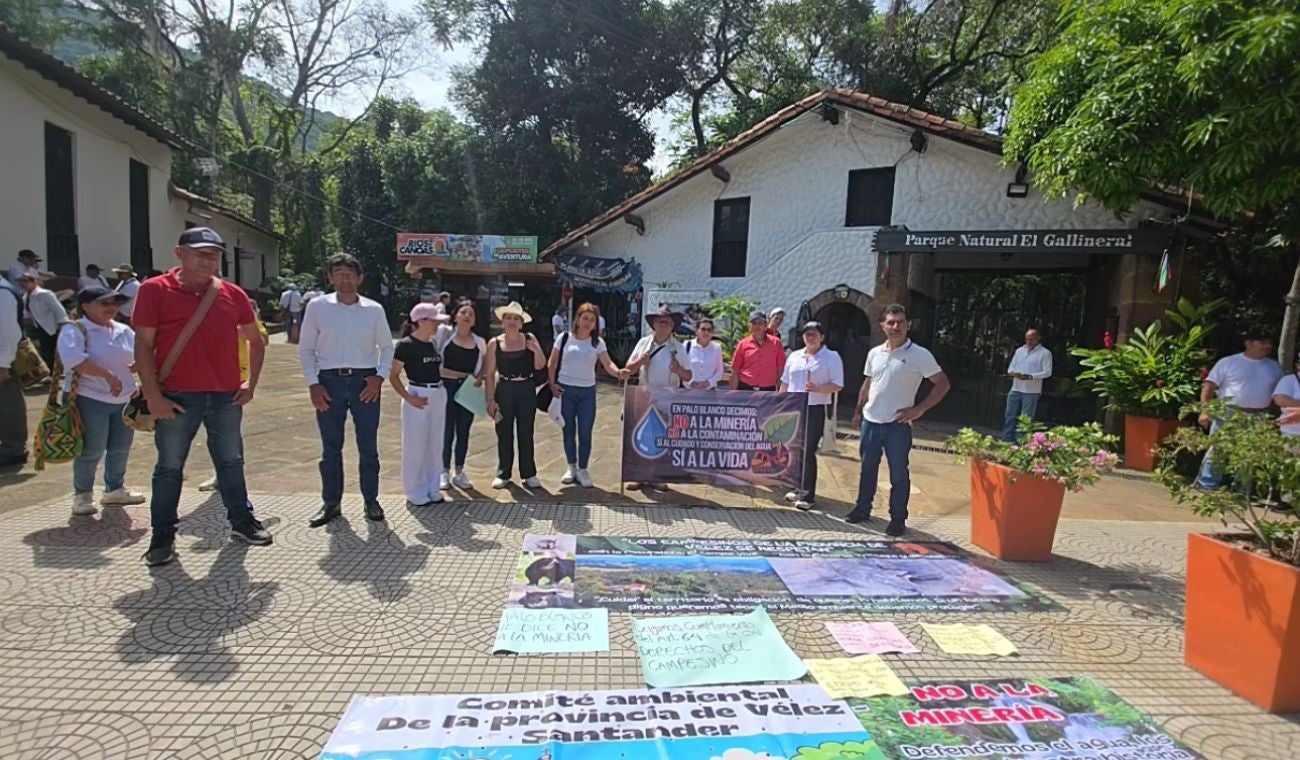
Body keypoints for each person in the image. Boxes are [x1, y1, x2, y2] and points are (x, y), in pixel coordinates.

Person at [133, 227, 270, 567]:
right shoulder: (155, 290)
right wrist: (153, 396)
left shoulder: (232, 294)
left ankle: (241, 521)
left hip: (225, 395)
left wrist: (249, 384)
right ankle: (162, 536)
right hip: (177, 395)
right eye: (200, 253)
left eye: (214, 254)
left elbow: (257, 340)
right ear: (180, 253)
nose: (208, 260)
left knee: (230, 461)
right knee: (169, 467)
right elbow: (143, 346)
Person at [299, 253, 394, 527]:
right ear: (330, 277)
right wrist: (312, 383)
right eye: (338, 273)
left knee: (368, 445)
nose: (345, 279)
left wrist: (379, 377)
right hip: (328, 381)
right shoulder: (318, 307)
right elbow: (306, 348)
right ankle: (331, 502)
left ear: (360, 278)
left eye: (350, 274)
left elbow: (387, 348)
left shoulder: (374, 310)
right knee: (330, 447)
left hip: (364, 381)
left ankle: (371, 499)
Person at [846, 304, 951, 536]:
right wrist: (857, 411)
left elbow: (942, 383)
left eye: (901, 322)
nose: (896, 326)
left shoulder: (920, 355)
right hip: (871, 421)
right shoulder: (874, 353)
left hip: (898, 426)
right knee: (867, 469)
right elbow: (868, 383)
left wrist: (920, 409)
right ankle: (862, 509)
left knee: (899, 474)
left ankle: (897, 518)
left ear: (908, 325)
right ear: (882, 325)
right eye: (891, 322)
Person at [59, 287, 146, 516]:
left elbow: (140, 353)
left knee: (120, 447)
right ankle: (82, 494)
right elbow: (74, 360)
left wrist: (139, 368)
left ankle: (114, 489)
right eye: (104, 303)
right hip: (90, 398)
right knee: (92, 448)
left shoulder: (123, 330)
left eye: (115, 303)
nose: (111, 308)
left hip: (124, 398)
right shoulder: (75, 329)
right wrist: (108, 376)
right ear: (85, 306)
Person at [548, 303, 626, 488]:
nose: (588, 322)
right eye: (585, 318)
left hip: (587, 392)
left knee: (585, 432)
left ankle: (583, 469)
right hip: (565, 390)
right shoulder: (564, 338)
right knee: (567, 430)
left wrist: (619, 372)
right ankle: (571, 467)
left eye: (592, 320)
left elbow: (608, 364)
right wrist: (552, 384)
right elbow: (552, 363)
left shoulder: (597, 342)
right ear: (578, 318)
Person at [1196, 330, 1283, 490]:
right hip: (1229, 412)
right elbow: (1208, 388)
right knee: (1219, 448)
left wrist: (1277, 417)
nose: (1268, 346)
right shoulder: (1228, 362)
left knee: (1250, 452)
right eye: (1263, 342)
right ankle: (1207, 485)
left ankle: (1241, 490)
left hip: (1259, 414)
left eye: (1269, 343)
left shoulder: (1273, 366)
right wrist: (1205, 411)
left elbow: (1278, 394)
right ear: (1249, 344)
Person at [198, 315, 270, 493]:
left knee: (227, 432)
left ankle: (231, 476)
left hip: (232, 377)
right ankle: (221, 474)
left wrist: (240, 333)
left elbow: (263, 339)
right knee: (214, 432)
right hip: (200, 376)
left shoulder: (238, 308)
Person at [389, 303, 452, 506]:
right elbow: (394, 375)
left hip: (437, 393)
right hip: (418, 393)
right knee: (415, 445)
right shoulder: (405, 345)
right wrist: (409, 398)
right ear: (422, 321)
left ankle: (432, 486)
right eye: (434, 321)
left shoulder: (432, 343)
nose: (437, 325)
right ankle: (415, 489)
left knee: (435, 443)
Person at [624, 305, 692, 491]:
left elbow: (688, 376)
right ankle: (638, 475)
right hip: (644, 394)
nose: (663, 324)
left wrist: (678, 370)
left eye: (667, 322)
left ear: (672, 326)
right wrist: (640, 362)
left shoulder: (678, 348)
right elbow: (628, 369)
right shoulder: (643, 343)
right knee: (639, 436)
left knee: (663, 438)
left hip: (668, 398)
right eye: (660, 321)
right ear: (654, 324)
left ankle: (657, 476)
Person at [780, 321, 844, 511]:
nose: (811, 337)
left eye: (815, 334)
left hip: (814, 407)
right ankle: (796, 486)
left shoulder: (831, 357)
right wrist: (779, 403)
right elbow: (785, 381)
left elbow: (838, 384)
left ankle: (808, 494)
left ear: (822, 337)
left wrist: (818, 389)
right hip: (792, 406)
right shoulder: (794, 356)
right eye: (807, 334)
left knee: (808, 451)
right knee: (792, 448)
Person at [485, 301, 547, 489]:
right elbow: (489, 373)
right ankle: (503, 472)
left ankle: (529, 473)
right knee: (503, 431)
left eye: (515, 318)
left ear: (522, 323)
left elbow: (540, 365)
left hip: (526, 389)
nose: (512, 322)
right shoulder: (494, 343)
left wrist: (535, 349)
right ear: (502, 322)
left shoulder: (529, 338)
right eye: (508, 318)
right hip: (504, 388)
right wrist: (490, 400)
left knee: (526, 431)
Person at [434, 302, 486, 490]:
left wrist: (478, 379)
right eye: (463, 312)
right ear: (455, 316)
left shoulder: (479, 342)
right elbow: (435, 362)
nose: (466, 315)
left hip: (467, 390)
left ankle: (459, 471)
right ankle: (443, 471)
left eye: (470, 314)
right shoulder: (444, 334)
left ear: (474, 320)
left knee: (464, 431)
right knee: (446, 431)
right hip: (446, 388)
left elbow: (486, 366)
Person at [1002, 327, 1053, 441]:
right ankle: (1007, 439)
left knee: (1026, 418)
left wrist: (1031, 376)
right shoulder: (1020, 351)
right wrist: (1014, 373)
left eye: (1032, 339)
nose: (1029, 342)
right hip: (1016, 387)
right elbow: (1011, 366)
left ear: (1038, 338)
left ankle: (1021, 441)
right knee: (1010, 414)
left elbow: (1047, 372)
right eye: (1027, 339)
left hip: (1031, 390)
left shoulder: (1045, 353)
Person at [0, 274, 27, 467]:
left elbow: (9, 332)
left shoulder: (3, 293)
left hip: (4, 360)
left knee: (8, 405)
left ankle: (13, 449)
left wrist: (3, 364)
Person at [17, 272, 67, 369]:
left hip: (52, 328)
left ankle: (56, 374)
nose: (22, 284)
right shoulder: (26, 297)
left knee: (53, 352)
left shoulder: (45, 294)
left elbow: (59, 311)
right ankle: (51, 374)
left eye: (25, 281)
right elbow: (27, 314)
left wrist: (63, 326)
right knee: (46, 352)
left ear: (34, 282)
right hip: (40, 328)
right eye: (20, 281)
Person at [729, 310, 785, 391]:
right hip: (746, 388)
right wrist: (732, 393)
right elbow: (735, 370)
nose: (757, 326)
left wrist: (780, 392)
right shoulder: (742, 344)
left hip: (767, 390)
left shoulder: (776, 343)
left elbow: (780, 369)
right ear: (749, 326)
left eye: (760, 323)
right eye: (754, 323)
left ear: (765, 325)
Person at [684, 317, 724, 389]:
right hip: (689, 391)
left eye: (709, 330)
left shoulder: (717, 348)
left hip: (709, 392)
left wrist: (708, 383)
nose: (706, 332)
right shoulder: (687, 345)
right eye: (703, 329)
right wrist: (691, 382)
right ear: (697, 331)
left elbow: (719, 371)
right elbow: (681, 367)